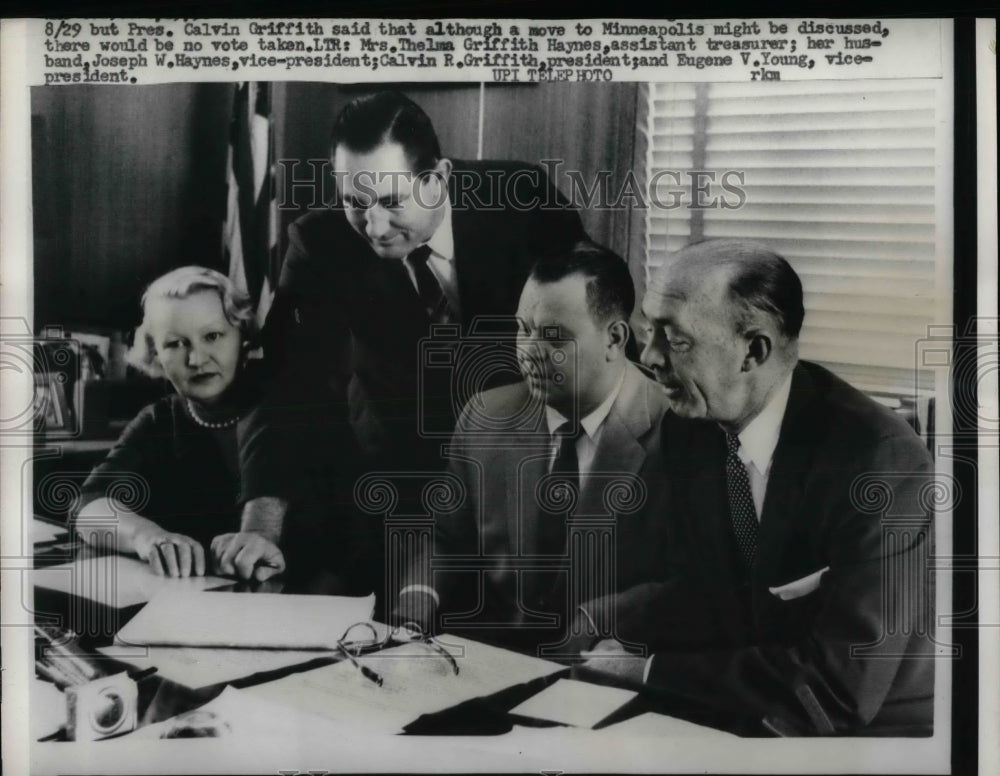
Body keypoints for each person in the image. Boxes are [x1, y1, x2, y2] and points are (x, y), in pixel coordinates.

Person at [581, 239, 935, 736]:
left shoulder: (879, 465)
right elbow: (711, 590)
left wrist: (645, 671)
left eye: (676, 339)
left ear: (754, 350)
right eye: (648, 329)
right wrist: (605, 617)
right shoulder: (690, 428)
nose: (649, 356)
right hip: (751, 702)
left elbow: (838, 689)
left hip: (874, 730)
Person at [241, 90, 588, 589]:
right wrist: (261, 529)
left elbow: (591, 328)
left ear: (439, 178)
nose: (374, 228)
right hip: (393, 485)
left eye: (391, 201)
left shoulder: (522, 198)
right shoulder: (319, 244)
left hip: (519, 477)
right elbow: (284, 386)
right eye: (354, 203)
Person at [395, 242, 674, 655]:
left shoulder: (681, 429)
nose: (528, 353)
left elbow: (696, 579)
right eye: (523, 330)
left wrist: (604, 617)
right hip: (497, 660)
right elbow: (446, 539)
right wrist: (414, 609)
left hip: (614, 670)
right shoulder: (486, 414)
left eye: (554, 338)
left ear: (615, 339)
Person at [73, 267, 287, 581]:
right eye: (175, 344)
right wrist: (146, 537)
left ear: (242, 336)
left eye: (212, 336)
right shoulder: (159, 421)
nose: (196, 359)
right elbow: (88, 505)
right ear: (154, 352)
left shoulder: (287, 411)